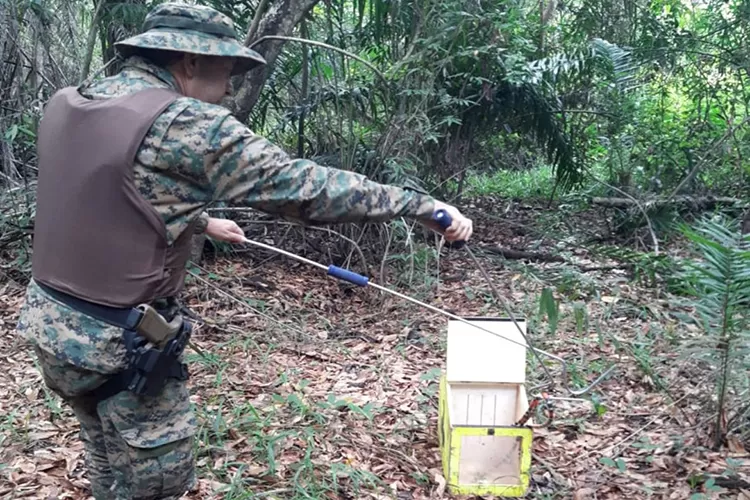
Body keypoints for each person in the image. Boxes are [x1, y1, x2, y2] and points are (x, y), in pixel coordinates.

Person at [14, 2, 473, 499]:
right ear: (190, 63)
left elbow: (107, 189)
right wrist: (419, 205)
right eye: (227, 70)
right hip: (117, 349)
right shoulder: (185, 122)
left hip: (53, 329)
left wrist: (201, 220)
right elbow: (301, 188)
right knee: (154, 487)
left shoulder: (73, 101)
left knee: (105, 457)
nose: (230, 87)